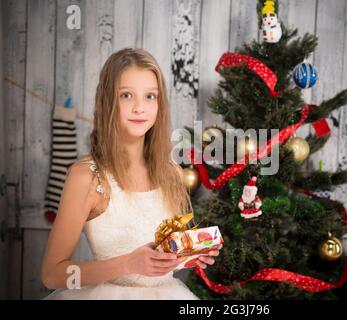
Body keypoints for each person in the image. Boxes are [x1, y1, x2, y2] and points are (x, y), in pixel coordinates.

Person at [41, 48, 221, 299]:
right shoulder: (88, 177)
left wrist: (189, 255)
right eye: (126, 95)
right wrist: (127, 264)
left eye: (150, 96)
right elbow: (52, 274)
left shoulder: (171, 172)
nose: (140, 108)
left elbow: (160, 259)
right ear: (108, 102)